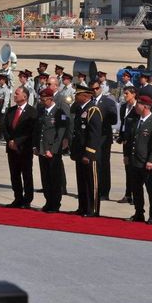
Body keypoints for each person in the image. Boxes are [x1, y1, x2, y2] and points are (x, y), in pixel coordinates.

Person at [123, 95, 152, 224]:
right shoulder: (136, 120)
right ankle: (139, 212)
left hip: (147, 162)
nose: (136, 106)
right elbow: (130, 140)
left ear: (145, 106)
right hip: (135, 161)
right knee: (136, 188)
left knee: (151, 188)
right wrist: (127, 155)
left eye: (138, 104)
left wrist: (151, 160)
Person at [70, 83, 104, 217]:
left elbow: (94, 135)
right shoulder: (80, 109)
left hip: (90, 154)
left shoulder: (93, 110)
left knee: (91, 183)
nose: (76, 97)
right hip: (80, 152)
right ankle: (83, 207)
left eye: (78, 95)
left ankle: (93, 209)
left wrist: (88, 153)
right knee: (82, 181)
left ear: (85, 96)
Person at [1, 86, 38, 208]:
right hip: (12, 149)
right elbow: (5, 127)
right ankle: (17, 198)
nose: (15, 95)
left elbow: (30, 131)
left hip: (24, 149)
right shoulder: (11, 110)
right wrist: (10, 141)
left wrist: (17, 142)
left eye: (17, 93)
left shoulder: (32, 112)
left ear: (25, 96)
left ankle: (27, 200)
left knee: (26, 175)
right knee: (14, 174)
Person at [34, 87, 68, 213]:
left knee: (54, 178)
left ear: (50, 99)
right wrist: (36, 147)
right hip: (42, 149)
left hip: (52, 151)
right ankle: (48, 202)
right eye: (41, 99)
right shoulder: (41, 111)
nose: (42, 101)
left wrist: (52, 150)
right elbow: (38, 131)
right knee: (45, 178)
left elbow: (60, 133)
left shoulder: (60, 113)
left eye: (43, 99)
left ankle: (55, 204)